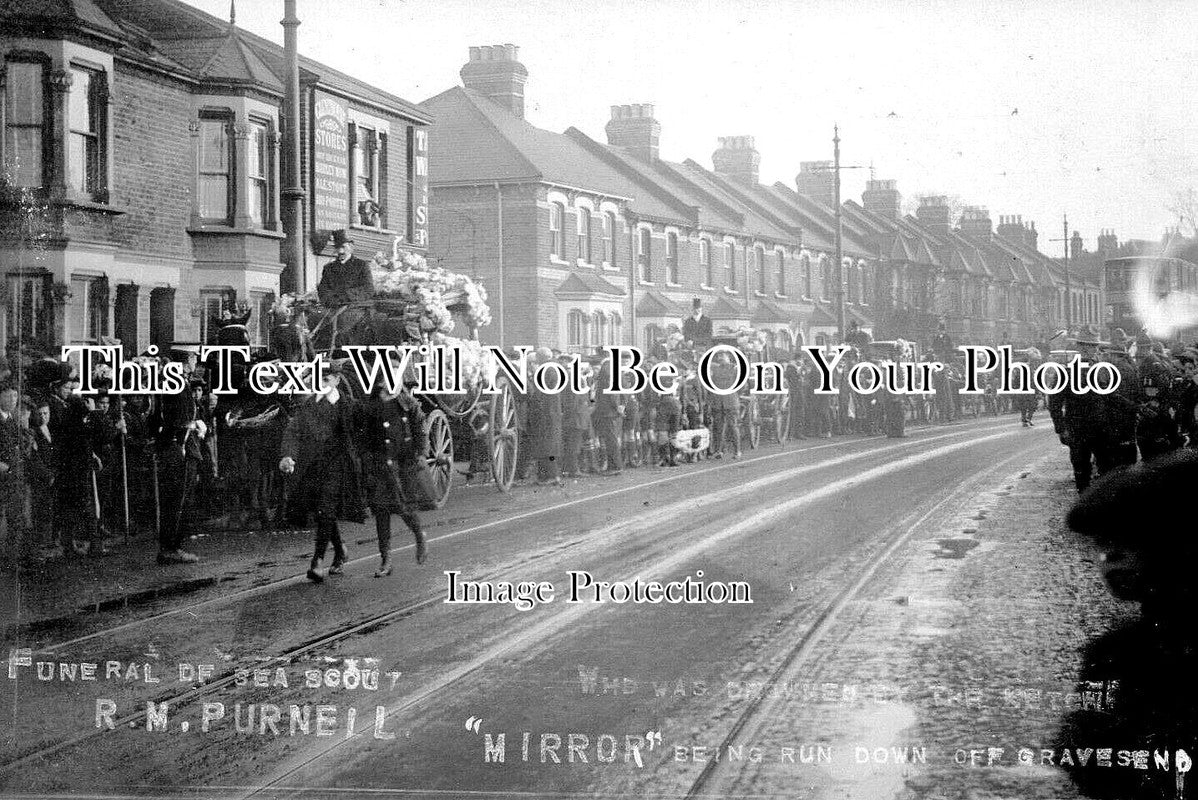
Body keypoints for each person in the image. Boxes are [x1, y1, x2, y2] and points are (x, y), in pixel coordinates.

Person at [280, 362, 366, 583]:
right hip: (313, 465)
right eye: (318, 380)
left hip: (339, 465)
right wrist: (288, 455)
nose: (321, 384)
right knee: (322, 511)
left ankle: (317, 561)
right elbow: (293, 431)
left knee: (326, 508)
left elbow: (365, 432)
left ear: (337, 380)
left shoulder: (349, 406)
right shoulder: (309, 406)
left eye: (326, 379)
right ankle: (340, 550)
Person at [357, 383, 427, 577]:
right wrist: (366, 460)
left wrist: (421, 453)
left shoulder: (408, 404)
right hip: (380, 465)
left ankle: (419, 534)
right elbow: (364, 438)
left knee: (403, 507)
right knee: (381, 511)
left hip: (402, 465)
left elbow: (420, 431)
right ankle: (385, 560)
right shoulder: (371, 407)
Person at [150, 368, 206, 564]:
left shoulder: (166, 386)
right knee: (179, 501)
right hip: (180, 449)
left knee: (175, 500)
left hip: (172, 448)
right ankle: (171, 547)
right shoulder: (179, 387)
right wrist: (193, 427)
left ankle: (170, 546)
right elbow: (181, 421)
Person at [525, 347, 563, 485]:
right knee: (550, 445)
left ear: (541, 357)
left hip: (546, 413)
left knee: (546, 445)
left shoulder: (546, 370)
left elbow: (539, 393)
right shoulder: (555, 368)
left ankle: (550, 475)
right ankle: (550, 475)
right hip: (553, 411)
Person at [590, 355, 624, 474]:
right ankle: (614, 465)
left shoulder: (606, 372)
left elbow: (612, 393)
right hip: (608, 411)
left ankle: (615, 466)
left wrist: (616, 407)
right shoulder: (610, 371)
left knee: (610, 440)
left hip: (607, 411)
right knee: (611, 439)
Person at [707, 350, 742, 459]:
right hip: (718, 401)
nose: (720, 358)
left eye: (722, 355)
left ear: (728, 357)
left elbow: (741, 385)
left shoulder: (735, 369)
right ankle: (719, 451)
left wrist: (733, 394)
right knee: (718, 427)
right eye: (718, 356)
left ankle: (737, 451)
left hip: (731, 401)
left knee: (733, 426)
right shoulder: (715, 370)